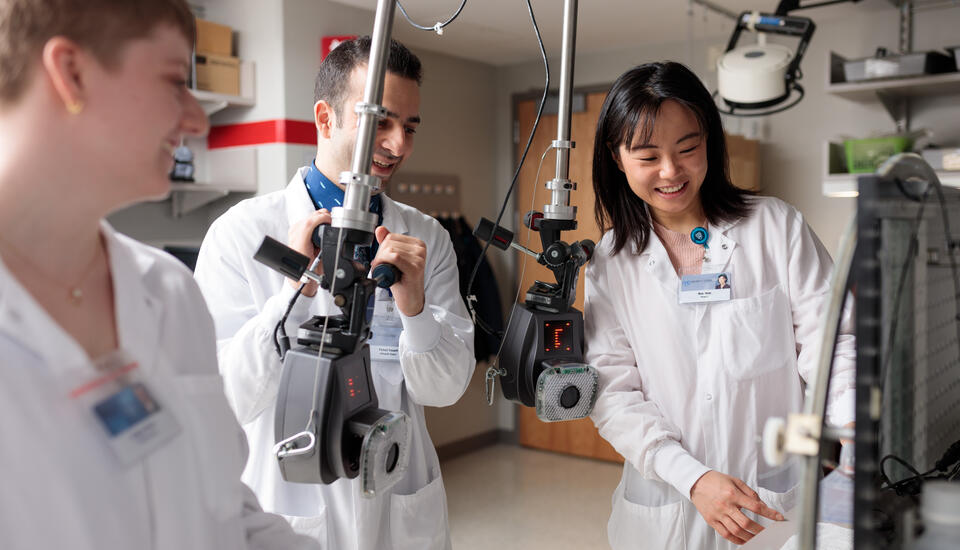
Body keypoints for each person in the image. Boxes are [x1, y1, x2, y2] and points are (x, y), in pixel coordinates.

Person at [0, 2, 319, 549]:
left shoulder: (167, 290)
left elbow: (228, 510)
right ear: (71, 73)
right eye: (175, 80)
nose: (197, 120)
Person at [194, 37, 475, 550]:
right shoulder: (242, 233)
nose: (399, 146)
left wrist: (413, 309)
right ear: (325, 119)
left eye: (409, 128)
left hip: (399, 493)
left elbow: (445, 390)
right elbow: (228, 398)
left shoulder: (426, 237)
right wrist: (293, 293)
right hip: (292, 502)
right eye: (381, 123)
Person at [584, 61, 856, 550]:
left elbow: (833, 342)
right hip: (665, 504)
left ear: (709, 139)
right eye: (647, 156)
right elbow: (612, 390)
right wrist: (692, 477)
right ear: (617, 157)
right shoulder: (611, 261)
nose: (671, 172)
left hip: (770, 501)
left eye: (687, 148)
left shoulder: (776, 228)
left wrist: (852, 419)